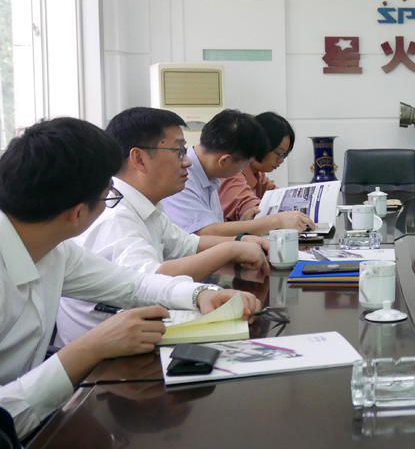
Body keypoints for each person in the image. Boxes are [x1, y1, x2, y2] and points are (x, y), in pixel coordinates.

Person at [0, 118, 261, 439]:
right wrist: (91, 347)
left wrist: (202, 295)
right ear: (77, 213)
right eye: (107, 196)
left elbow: (133, 283)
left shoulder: (56, 251)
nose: (112, 203)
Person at [56, 107, 273, 346]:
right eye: (178, 151)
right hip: (108, 357)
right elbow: (146, 281)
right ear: (139, 159)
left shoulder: (144, 205)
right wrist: (230, 250)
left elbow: (187, 244)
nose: (187, 161)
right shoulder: (115, 216)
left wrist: (242, 243)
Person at [162, 109, 314, 236]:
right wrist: (275, 221)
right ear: (225, 160)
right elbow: (204, 234)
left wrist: (243, 226)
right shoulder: (182, 176)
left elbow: (211, 230)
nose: (184, 161)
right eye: (244, 166)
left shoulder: (209, 174)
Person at [218, 111, 294, 222]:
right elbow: (251, 209)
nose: (281, 160)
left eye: (284, 155)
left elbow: (280, 197)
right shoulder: (233, 171)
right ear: (261, 145)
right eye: (279, 153)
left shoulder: (257, 174)